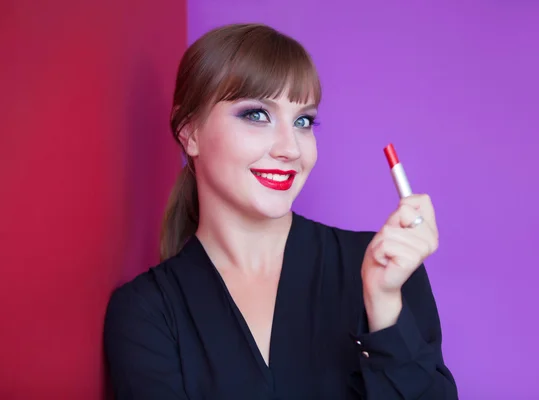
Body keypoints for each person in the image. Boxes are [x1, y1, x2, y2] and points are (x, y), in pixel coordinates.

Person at [103, 22, 458, 399]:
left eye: (303, 121)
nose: (290, 148)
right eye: (256, 115)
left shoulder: (386, 269)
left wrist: (384, 308)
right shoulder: (147, 312)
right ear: (190, 132)